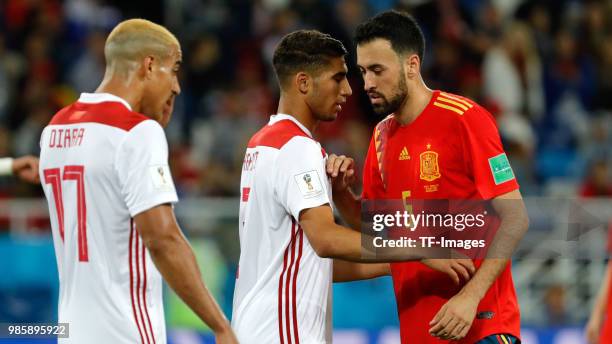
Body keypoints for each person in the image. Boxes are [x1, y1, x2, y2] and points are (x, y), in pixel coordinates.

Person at [231, 29, 475, 344]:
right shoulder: (298, 148)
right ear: (304, 83)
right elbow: (326, 240)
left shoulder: (262, 145)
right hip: (283, 331)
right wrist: (421, 248)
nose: (348, 90)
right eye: (338, 78)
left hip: (255, 327)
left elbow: (314, 265)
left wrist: (405, 263)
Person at [327, 11, 529, 343]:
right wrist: (341, 195)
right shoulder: (380, 137)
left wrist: (470, 297)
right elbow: (377, 234)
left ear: (412, 64)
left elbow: (516, 217)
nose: (367, 84)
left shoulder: (465, 119)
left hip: (480, 327)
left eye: (378, 70)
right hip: (419, 332)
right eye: (363, 72)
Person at [38, 19, 237, 344]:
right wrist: (220, 325)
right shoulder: (136, 132)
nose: (177, 86)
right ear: (149, 65)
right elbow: (163, 239)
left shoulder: (54, 130)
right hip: (126, 332)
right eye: (173, 70)